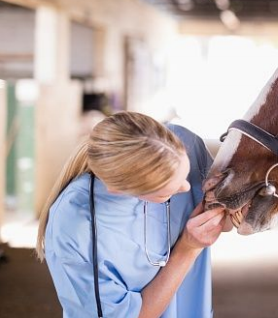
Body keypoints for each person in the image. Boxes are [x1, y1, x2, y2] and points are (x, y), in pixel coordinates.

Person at [36, 111, 227, 318]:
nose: (186, 187)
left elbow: (225, 222)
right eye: (166, 192)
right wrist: (188, 249)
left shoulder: (183, 141)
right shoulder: (77, 227)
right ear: (122, 190)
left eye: (185, 173)